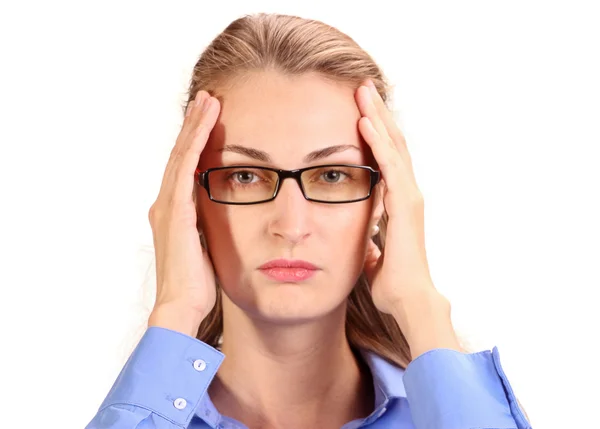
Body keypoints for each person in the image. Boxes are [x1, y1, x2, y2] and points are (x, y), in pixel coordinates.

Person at [86, 13, 532, 429]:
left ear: (383, 200)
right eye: (245, 176)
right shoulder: (152, 410)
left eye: (332, 175)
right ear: (189, 200)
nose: (291, 225)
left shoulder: (447, 410)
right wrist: (176, 313)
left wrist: (421, 308)